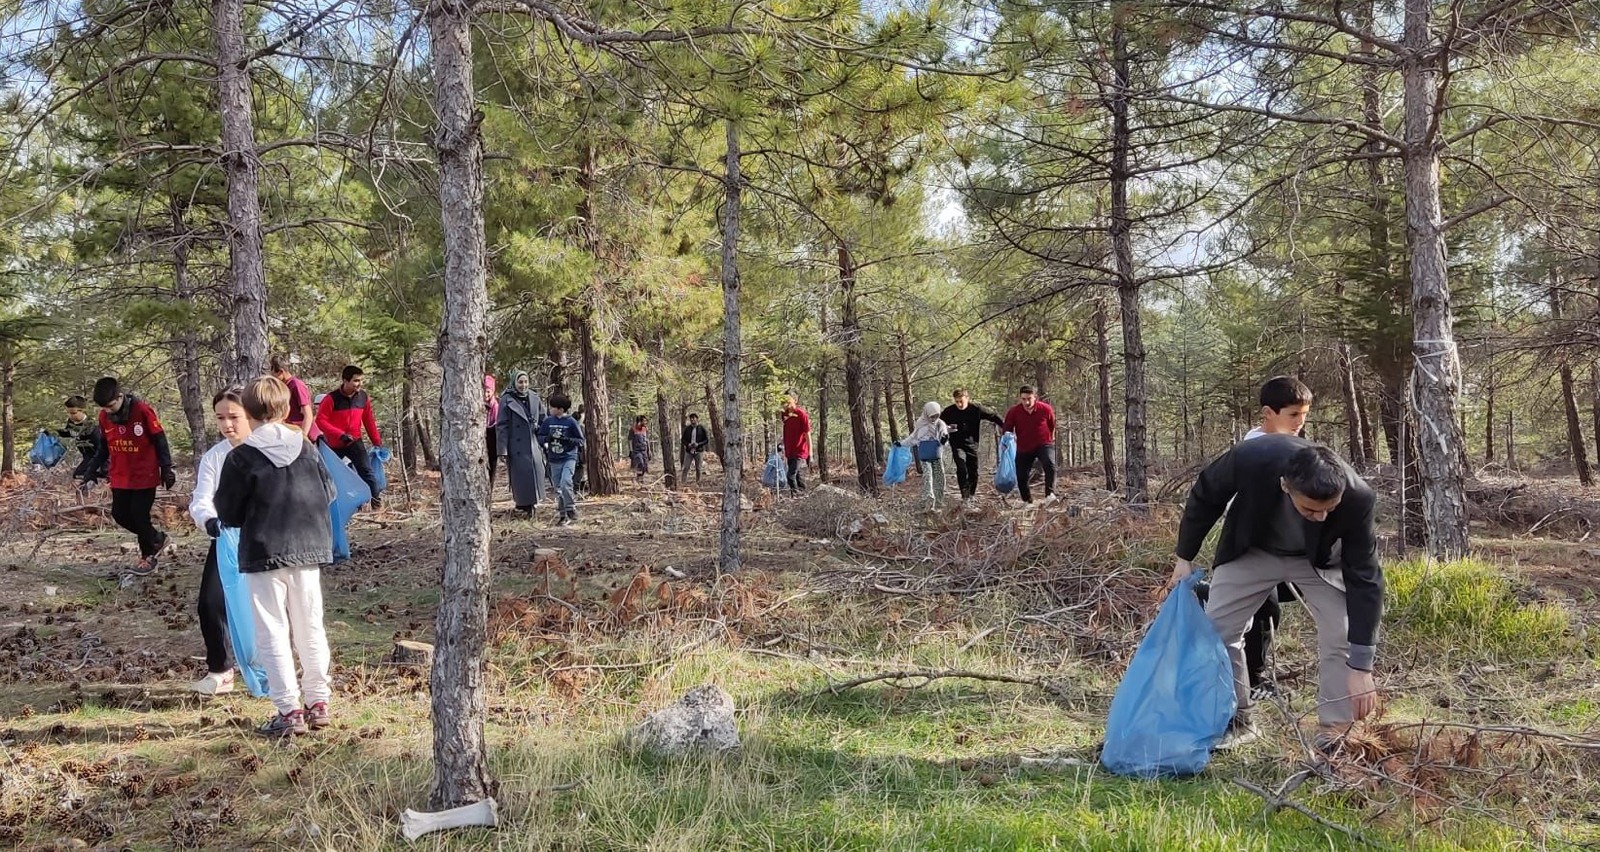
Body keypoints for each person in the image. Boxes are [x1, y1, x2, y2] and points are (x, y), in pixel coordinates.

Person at [1169, 438, 1382, 750]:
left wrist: (1362, 667)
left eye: (1329, 510)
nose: (1321, 517)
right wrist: (1184, 557)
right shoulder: (1253, 458)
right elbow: (1206, 494)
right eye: (1311, 509)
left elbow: (1365, 577)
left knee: (1341, 634)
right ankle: (1236, 720)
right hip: (1253, 549)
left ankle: (1335, 735)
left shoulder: (1358, 496)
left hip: (1317, 561)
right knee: (1217, 630)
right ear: (1285, 486)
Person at [214, 375, 335, 738]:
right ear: (286, 408)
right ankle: (319, 702)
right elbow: (328, 492)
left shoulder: (242, 457)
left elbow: (228, 512)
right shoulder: (307, 448)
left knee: (273, 632)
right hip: (309, 549)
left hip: (263, 551)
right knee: (310, 626)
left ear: (248, 412)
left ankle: (289, 709)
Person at [1235, 376, 1315, 700]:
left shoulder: (1293, 448)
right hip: (1251, 544)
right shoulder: (1254, 450)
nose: (1300, 422)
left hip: (1282, 545)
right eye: (1293, 415)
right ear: (1268, 413)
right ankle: (1254, 681)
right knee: (1264, 611)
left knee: (1286, 598)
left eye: (1304, 415)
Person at [187, 387, 251, 696]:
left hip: (268, 540)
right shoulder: (215, 457)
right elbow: (201, 499)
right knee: (210, 602)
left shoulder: (267, 448)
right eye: (220, 418)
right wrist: (210, 521)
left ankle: (272, 669)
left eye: (234, 417)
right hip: (227, 538)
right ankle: (221, 669)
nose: (227, 425)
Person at [79, 378, 175, 576]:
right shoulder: (104, 417)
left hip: (144, 474)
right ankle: (157, 538)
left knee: (140, 516)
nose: (108, 410)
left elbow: (160, 440)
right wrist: (90, 471)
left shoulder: (142, 410)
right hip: (121, 475)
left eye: (111, 405)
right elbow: (104, 448)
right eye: (104, 407)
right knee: (120, 514)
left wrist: (166, 468)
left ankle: (148, 556)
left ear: (120, 397)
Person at [315, 366, 384, 510]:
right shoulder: (331, 399)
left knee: (367, 472)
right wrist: (339, 434)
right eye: (356, 381)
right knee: (328, 474)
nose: (359, 384)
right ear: (345, 381)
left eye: (361, 380)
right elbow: (320, 421)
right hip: (334, 445)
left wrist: (376, 441)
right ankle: (326, 506)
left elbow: (368, 420)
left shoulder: (363, 397)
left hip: (354, 442)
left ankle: (376, 504)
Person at [496, 370, 547, 516]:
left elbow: (543, 419)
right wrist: (502, 450)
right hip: (516, 446)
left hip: (533, 443)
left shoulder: (534, 397)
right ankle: (523, 507)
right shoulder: (506, 399)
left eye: (525, 382)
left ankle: (533, 505)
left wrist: (543, 439)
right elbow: (502, 426)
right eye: (520, 382)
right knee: (520, 478)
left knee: (536, 474)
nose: (523, 385)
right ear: (514, 382)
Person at [941, 389, 1004, 503]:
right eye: (957, 402)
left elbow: (993, 416)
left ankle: (971, 494)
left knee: (973, 470)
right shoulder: (949, 411)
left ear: (967, 399)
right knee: (961, 467)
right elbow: (938, 423)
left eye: (961, 401)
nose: (959, 404)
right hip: (956, 444)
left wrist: (1005, 427)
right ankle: (965, 496)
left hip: (972, 445)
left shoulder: (976, 409)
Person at [1002, 385, 1056, 504]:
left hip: (1043, 443)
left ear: (1035, 397)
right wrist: (1006, 437)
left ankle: (1050, 495)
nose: (1026, 402)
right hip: (1024, 446)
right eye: (1023, 399)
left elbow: (1052, 424)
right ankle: (1027, 500)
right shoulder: (1014, 411)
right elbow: (1007, 428)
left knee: (1050, 465)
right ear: (1020, 398)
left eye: (1029, 399)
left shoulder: (1045, 409)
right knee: (1021, 475)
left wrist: (1051, 438)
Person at [538, 394, 585, 526]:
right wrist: (547, 439)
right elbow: (540, 436)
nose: (550, 409)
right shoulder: (548, 422)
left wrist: (568, 440)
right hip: (554, 458)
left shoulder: (571, 422)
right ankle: (563, 514)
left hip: (569, 457)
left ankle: (571, 508)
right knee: (558, 488)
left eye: (552, 407)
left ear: (560, 409)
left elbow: (580, 440)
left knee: (566, 483)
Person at [901, 401, 951, 510]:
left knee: (940, 476)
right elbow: (913, 438)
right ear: (927, 414)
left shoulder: (940, 423)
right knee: (927, 476)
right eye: (932, 416)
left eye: (936, 416)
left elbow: (944, 436)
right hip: (924, 454)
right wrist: (901, 444)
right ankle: (928, 499)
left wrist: (944, 439)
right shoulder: (921, 423)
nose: (934, 419)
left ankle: (939, 500)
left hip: (936, 453)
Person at [270, 355, 316, 440]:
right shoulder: (285, 387)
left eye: (274, 376)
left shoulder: (296, 385)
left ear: (281, 372)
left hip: (304, 435)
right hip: (291, 434)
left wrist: (303, 438)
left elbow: (308, 415)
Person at [58, 395, 102, 481]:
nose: (70, 416)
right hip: (86, 456)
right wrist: (54, 433)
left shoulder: (92, 427)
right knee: (78, 475)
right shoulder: (71, 422)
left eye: (73, 413)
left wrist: (103, 467)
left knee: (80, 474)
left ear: (82, 411)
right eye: (68, 413)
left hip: (95, 457)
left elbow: (102, 448)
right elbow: (68, 433)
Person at [780, 393, 811, 493]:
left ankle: (795, 494)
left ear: (795, 400)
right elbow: (787, 430)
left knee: (790, 475)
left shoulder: (802, 414)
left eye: (788, 400)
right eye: (784, 401)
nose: (786, 403)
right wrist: (781, 444)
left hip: (800, 451)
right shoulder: (784, 414)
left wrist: (810, 453)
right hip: (790, 451)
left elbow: (807, 434)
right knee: (798, 475)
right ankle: (804, 493)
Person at [680, 413, 709, 483]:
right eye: (691, 418)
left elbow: (706, 440)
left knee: (698, 468)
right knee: (686, 467)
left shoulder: (701, 428)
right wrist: (688, 444)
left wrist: (698, 444)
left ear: (697, 419)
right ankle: (683, 482)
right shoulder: (687, 429)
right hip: (689, 451)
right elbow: (683, 440)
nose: (692, 419)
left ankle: (698, 482)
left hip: (699, 451)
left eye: (694, 418)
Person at [484, 375, 501, 488]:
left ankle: (489, 490)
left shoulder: (496, 407)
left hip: (493, 442)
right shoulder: (477, 406)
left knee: (491, 469)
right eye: (484, 391)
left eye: (488, 391)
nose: (486, 394)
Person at [628, 415, 651, 486]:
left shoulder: (645, 429)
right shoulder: (633, 429)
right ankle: (639, 479)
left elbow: (647, 440)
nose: (645, 422)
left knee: (644, 466)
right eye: (644, 421)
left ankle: (640, 478)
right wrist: (631, 451)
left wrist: (649, 450)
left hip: (644, 450)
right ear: (639, 421)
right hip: (636, 451)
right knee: (640, 463)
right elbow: (629, 441)